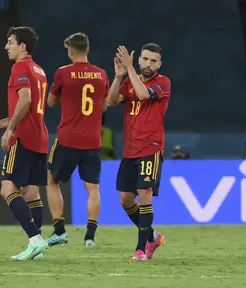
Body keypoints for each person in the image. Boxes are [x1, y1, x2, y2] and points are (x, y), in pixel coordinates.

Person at [107, 43, 171, 260]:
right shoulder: (129, 80)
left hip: (150, 148)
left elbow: (143, 96)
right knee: (125, 199)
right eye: (145, 59)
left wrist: (130, 69)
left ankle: (141, 248)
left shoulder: (163, 82)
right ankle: (153, 236)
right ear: (140, 59)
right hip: (130, 149)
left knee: (144, 195)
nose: (149, 64)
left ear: (159, 64)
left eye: (153, 60)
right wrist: (118, 77)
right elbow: (111, 101)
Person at [45, 32, 109, 248]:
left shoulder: (63, 73)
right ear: (87, 50)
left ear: (71, 51)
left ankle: (59, 231)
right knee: (92, 187)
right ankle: (90, 236)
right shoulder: (101, 75)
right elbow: (103, 106)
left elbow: (51, 102)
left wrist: (68, 95)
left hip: (68, 138)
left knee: (52, 180)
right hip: (92, 139)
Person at [0, 26, 49, 260]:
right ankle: (36, 251)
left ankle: (35, 239)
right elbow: (27, 109)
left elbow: (25, 99)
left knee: (7, 187)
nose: (6, 46)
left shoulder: (19, 67)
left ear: (23, 46)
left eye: (10, 42)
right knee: (31, 193)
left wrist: (9, 130)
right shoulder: (39, 70)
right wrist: (5, 123)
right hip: (39, 136)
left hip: (23, 137)